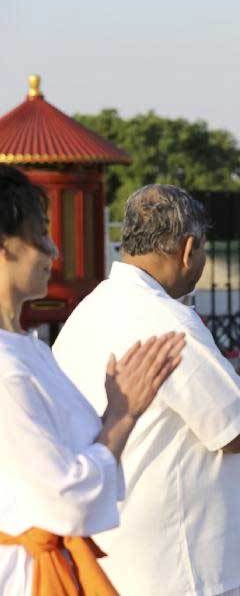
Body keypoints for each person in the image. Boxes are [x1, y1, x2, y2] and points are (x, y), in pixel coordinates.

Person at [53, 184, 240, 596]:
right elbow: (238, 430)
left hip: (114, 550)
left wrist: (233, 375)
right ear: (189, 249)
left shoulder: (91, 308)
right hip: (183, 562)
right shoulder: (169, 320)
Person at [0, 165, 185, 594]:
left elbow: (78, 453)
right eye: (39, 235)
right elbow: (64, 498)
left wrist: (119, 409)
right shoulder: (7, 369)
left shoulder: (28, 349)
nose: (53, 250)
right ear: (5, 246)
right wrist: (122, 415)